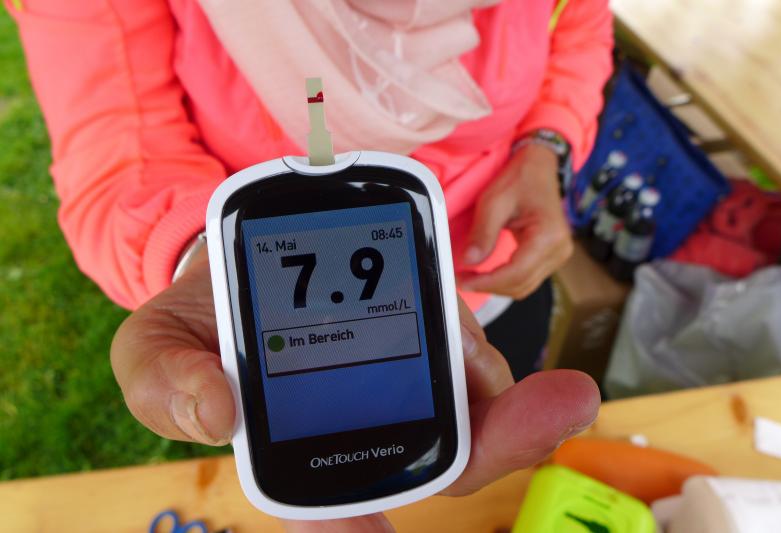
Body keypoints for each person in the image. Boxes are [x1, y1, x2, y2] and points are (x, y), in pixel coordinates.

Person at [8, 0, 612, 529]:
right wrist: (210, 261)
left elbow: (577, 22)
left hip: (486, 289)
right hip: (277, 336)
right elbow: (114, 139)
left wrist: (547, 145)